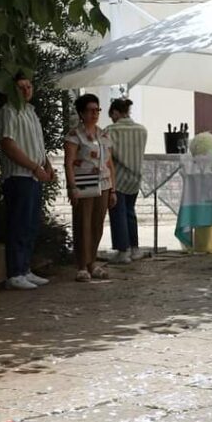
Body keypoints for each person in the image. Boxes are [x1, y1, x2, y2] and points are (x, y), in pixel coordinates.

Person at [0, 73, 55, 290]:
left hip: (34, 175)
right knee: (19, 224)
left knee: (30, 225)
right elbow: (8, 144)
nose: (26, 90)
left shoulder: (31, 112)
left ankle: (25, 268)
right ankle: (15, 272)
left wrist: (46, 164)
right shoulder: (8, 112)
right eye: (21, 87)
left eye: (29, 86)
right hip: (19, 176)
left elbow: (37, 144)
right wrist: (33, 166)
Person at [64, 94, 117, 282]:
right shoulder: (74, 135)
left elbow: (110, 163)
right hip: (84, 183)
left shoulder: (103, 134)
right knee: (83, 224)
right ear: (81, 113)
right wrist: (72, 187)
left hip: (103, 184)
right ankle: (81, 265)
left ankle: (92, 262)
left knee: (97, 224)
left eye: (97, 110)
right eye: (90, 110)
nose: (94, 114)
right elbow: (69, 162)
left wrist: (113, 189)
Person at [105, 98, 148, 264]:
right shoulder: (142, 130)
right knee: (130, 213)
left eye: (112, 115)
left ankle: (123, 251)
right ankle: (134, 248)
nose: (112, 119)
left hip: (118, 177)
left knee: (118, 214)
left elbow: (107, 156)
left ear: (115, 112)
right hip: (135, 177)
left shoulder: (110, 130)